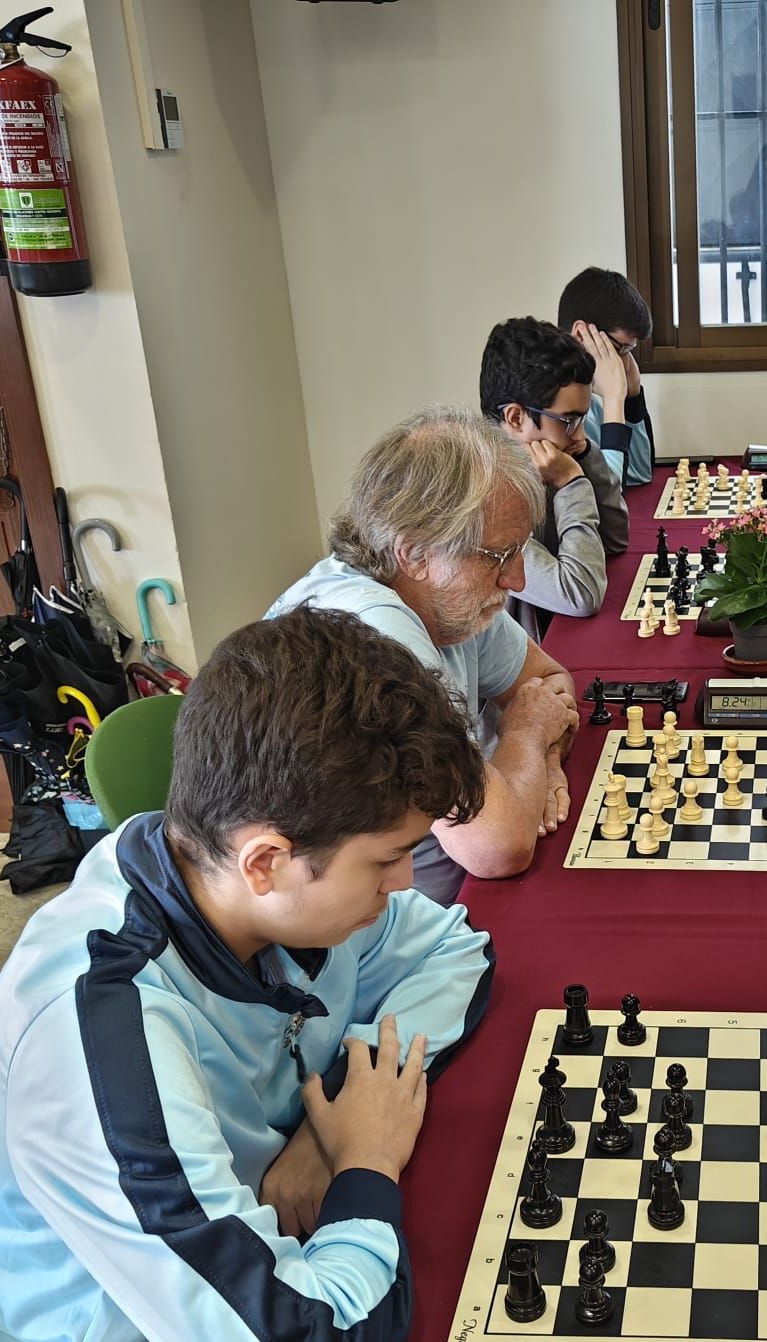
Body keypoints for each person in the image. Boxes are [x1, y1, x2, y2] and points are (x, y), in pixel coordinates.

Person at [0, 608, 497, 1342]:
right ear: (267, 861)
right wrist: (365, 1163)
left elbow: (455, 950)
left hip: (259, 1282)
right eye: (386, 861)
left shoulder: (245, 888)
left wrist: (327, 1130)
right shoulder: (100, 1035)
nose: (405, 885)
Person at [269, 407, 581, 903]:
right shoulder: (375, 636)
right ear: (414, 554)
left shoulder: (447, 595)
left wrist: (539, 765)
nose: (518, 580)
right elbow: (497, 847)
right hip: (383, 925)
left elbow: (549, 682)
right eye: (500, 556)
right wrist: (526, 734)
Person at [479, 316, 628, 638]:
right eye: (568, 421)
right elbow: (581, 595)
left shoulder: (544, 462)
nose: (579, 435)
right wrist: (573, 484)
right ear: (516, 418)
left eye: (583, 419)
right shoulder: (483, 498)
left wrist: (585, 457)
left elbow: (615, 540)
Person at [557, 266, 655, 489]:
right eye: (619, 348)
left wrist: (633, 397)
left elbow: (639, 474)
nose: (624, 363)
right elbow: (611, 491)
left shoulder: (591, 400)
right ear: (581, 334)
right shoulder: (555, 406)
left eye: (629, 350)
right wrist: (613, 398)